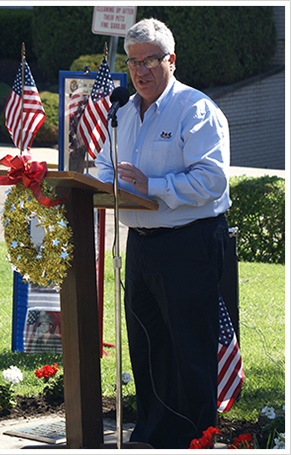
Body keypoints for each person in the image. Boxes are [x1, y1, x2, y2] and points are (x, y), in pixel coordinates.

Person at [95, 18, 231, 449]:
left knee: (189, 349)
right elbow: (103, 169)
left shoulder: (195, 109)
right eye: (134, 63)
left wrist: (150, 187)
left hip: (187, 244)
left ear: (171, 60)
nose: (140, 71)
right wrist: (103, 184)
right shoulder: (123, 113)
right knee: (147, 346)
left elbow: (213, 181)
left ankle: (196, 437)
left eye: (151, 60)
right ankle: (155, 432)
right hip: (141, 248)